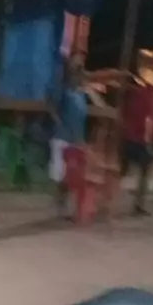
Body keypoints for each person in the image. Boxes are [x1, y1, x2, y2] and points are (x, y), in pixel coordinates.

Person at [50, 54, 88, 214]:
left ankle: (62, 203)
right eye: (76, 70)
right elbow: (52, 106)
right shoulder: (63, 90)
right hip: (62, 136)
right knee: (61, 173)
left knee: (70, 174)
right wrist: (59, 122)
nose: (78, 74)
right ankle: (59, 203)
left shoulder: (81, 94)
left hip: (75, 137)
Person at [121, 71, 153, 216]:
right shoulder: (151, 96)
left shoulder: (135, 94)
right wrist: (148, 142)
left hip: (127, 136)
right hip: (140, 140)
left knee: (121, 171)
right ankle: (137, 205)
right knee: (143, 172)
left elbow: (125, 114)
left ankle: (107, 202)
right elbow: (149, 120)